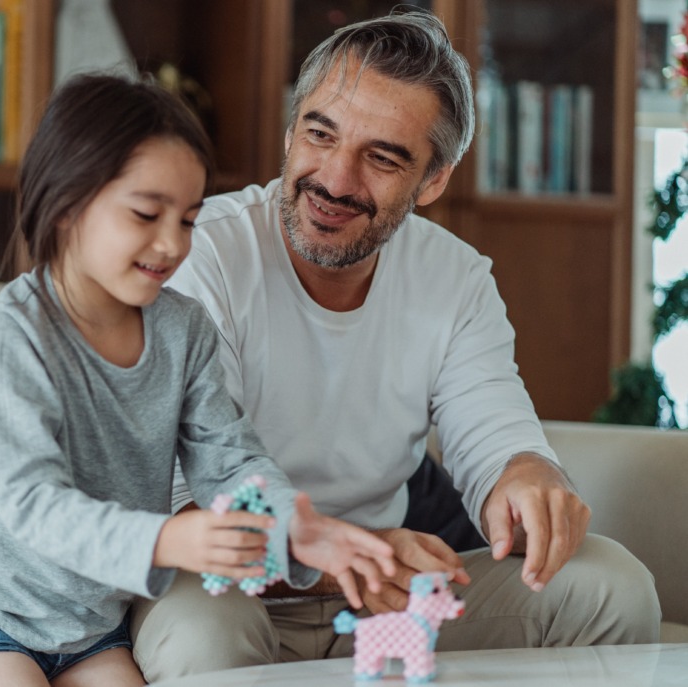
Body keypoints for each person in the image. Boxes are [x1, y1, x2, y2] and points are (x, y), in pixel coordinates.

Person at [130, 9, 662, 682]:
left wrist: (527, 474)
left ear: (433, 179)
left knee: (612, 585)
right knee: (203, 632)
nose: (336, 179)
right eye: (320, 135)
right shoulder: (204, 256)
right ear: (292, 130)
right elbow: (184, 500)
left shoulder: (457, 279)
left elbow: (495, 437)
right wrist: (345, 557)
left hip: (392, 596)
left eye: (382, 157)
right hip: (230, 589)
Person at [0, 73, 397, 687]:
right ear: (68, 203)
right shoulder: (12, 337)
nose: (170, 244)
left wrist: (297, 525)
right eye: (145, 214)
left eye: (187, 220)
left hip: (89, 623)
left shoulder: (182, 329)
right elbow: (32, 506)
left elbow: (228, 457)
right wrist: (167, 540)